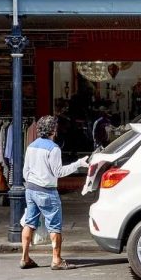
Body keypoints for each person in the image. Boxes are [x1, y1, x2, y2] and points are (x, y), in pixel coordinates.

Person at [19, 115, 88, 271]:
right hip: (47, 191)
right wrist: (78, 163)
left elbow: (25, 171)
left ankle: (25, 258)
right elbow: (58, 172)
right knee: (54, 226)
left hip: (31, 189)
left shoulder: (31, 146)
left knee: (29, 223)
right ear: (54, 130)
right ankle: (56, 260)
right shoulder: (54, 148)